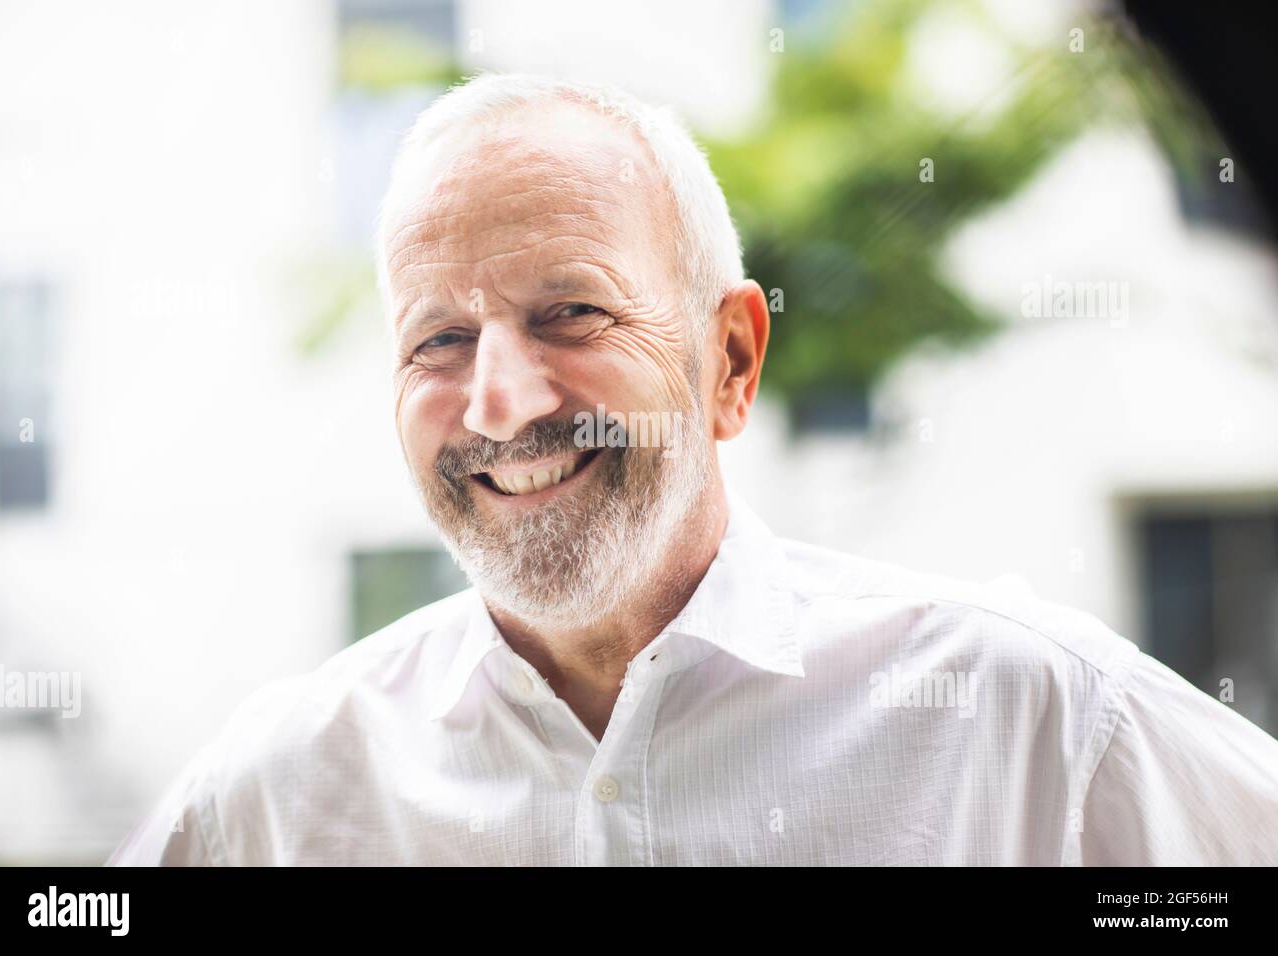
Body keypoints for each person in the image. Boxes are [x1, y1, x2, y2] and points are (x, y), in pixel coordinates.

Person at [108, 72, 1278, 866]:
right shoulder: (278, 791)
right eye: (439, 340)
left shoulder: (1038, 724)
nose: (497, 399)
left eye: (570, 311)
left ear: (729, 358)